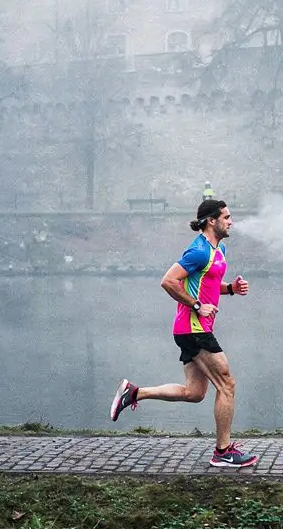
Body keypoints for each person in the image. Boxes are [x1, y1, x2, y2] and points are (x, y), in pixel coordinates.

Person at [110, 198, 258, 468]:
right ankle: (223, 452)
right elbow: (168, 281)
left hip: (195, 328)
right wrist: (197, 305)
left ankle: (134, 393)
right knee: (227, 384)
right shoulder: (199, 251)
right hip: (193, 328)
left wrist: (231, 289)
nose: (230, 221)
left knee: (195, 393)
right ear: (211, 220)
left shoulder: (218, 249)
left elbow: (208, 284)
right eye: (226, 217)